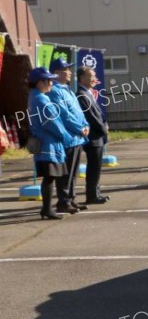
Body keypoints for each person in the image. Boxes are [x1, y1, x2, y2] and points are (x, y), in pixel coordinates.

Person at [27, 67, 72, 220]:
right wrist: (66, 136)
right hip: (49, 145)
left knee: (49, 177)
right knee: (49, 177)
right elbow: (52, 123)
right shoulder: (41, 100)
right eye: (49, 80)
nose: (51, 83)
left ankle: (47, 208)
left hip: (45, 144)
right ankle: (47, 209)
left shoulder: (34, 97)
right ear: (40, 82)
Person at [47, 58, 90, 214]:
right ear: (57, 73)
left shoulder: (68, 89)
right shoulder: (55, 91)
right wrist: (80, 128)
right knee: (66, 173)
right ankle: (63, 201)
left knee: (73, 171)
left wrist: (85, 125)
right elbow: (64, 115)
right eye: (66, 69)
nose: (70, 72)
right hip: (69, 137)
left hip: (77, 137)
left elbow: (78, 111)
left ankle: (71, 199)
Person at [76, 67, 110, 204]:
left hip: (97, 136)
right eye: (90, 76)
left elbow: (98, 114)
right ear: (82, 77)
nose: (93, 79)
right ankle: (91, 196)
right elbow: (92, 117)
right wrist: (104, 129)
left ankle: (95, 193)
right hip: (93, 137)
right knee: (93, 167)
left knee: (96, 167)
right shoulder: (81, 94)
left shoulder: (87, 93)